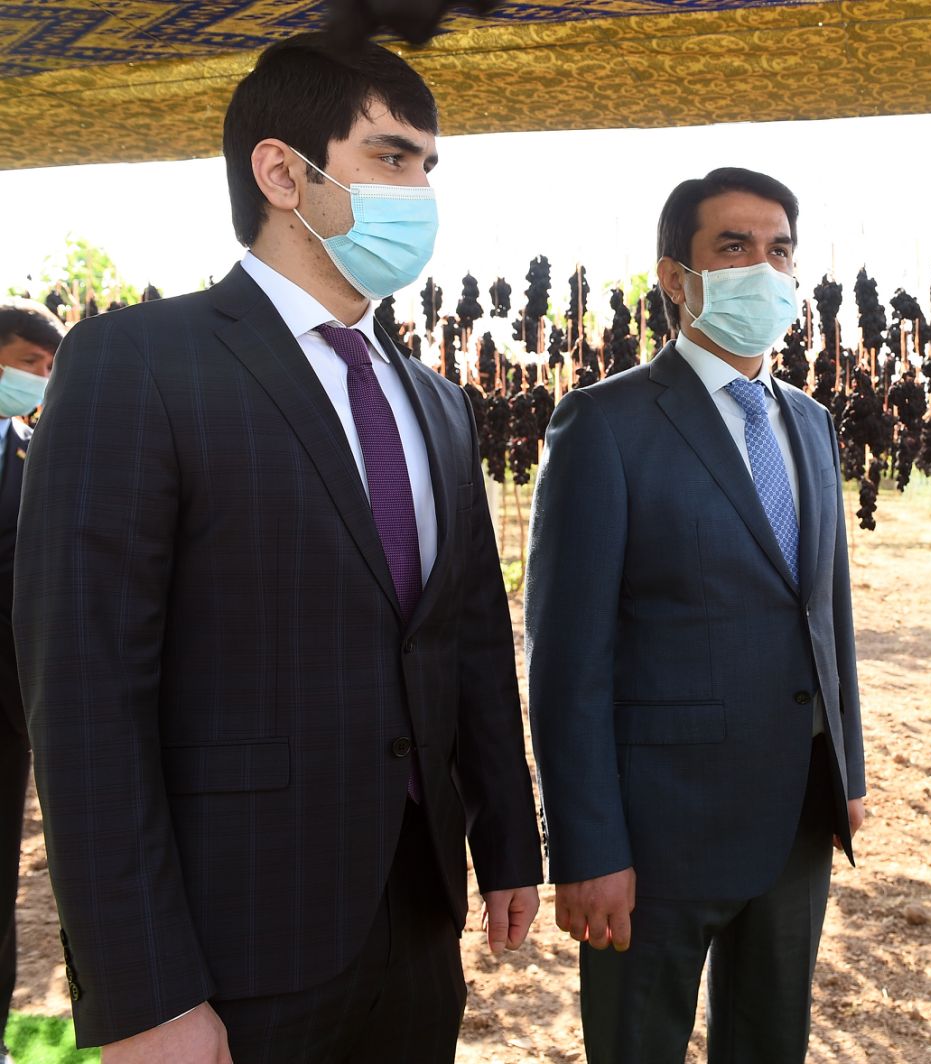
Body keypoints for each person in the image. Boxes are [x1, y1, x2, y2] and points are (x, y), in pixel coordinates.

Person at [14, 33, 540, 1062]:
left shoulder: (436, 402)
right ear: (281, 173)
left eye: (429, 166)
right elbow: (84, 694)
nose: (420, 192)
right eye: (391, 158)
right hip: (233, 937)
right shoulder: (138, 362)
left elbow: (469, 635)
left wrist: (508, 841)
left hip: (417, 915)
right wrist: (142, 992)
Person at [525, 167, 867, 1064]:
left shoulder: (810, 422)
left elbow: (824, 611)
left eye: (781, 250)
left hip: (795, 818)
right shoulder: (604, 425)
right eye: (735, 247)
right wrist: (588, 848)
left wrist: (847, 770)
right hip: (657, 834)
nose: (766, 268)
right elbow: (566, 661)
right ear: (676, 278)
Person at [0, 298, 60, 1064]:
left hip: (7, 713)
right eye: (25, 363)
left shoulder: (37, 455)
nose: (39, 380)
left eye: (47, 369)